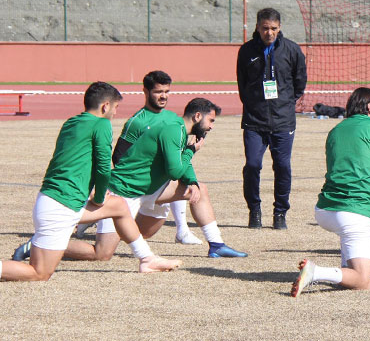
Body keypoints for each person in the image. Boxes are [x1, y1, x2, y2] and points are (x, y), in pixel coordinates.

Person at [0, 82, 180, 282]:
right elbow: (103, 167)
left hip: (56, 200)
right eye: (115, 107)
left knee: (119, 206)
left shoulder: (71, 122)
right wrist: (100, 196)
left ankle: (147, 259)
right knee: (39, 273)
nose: (115, 113)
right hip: (61, 206)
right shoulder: (101, 124)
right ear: (105, 106)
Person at [72, 98, 247, 261]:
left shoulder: (180, 130)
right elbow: (175, 172)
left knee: (198, 190)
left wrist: (192, 181)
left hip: (150, 189)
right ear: (197, 116)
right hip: (125, 191)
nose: (211, 127)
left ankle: (217, 245)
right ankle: (55, 243)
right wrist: (191, 151)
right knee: (102, 254)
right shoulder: (173, 130)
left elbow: (182, 163)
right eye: (211, 121)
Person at [292, 88, 370, 295]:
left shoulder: (335, 130)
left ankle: (343, 271)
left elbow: (347, 171)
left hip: (325, 209)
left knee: (351, 259)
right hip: (354, 211)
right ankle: (315, 272)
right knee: (363, 280)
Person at [75, 70, 201, 245]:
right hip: (133, 186)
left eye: (167, 91)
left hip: (157, 182)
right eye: (158, 92)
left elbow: (179, 158)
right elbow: (118, 156)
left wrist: (191, 179)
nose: (163, 96)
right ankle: (91, 217)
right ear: (146, 92)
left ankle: (183, 230)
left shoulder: (173, 118)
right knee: (107, 249)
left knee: (184, 183)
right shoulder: (137, 122)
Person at [237, 7, 307, 230]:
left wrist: (285, 103)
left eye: (274, 28)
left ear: (280, 27)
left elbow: (300, 82)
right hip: (254, 121)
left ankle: (280, 213)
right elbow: (242, 84)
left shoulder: (292, 50)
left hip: (282, 120)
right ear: (258, 27)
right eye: (265, 28)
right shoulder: (246, 51)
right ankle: (254, 210)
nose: (269, 33)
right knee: (252, 165)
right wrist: (254, 104)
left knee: (283, 167)